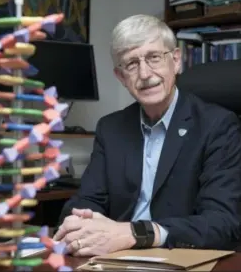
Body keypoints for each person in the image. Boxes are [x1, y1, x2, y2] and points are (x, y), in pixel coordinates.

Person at [54, 14, 241, 256]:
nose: (144, 73)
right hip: (115, 258)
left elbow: (223, 224)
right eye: (131, 64)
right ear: (121, 77)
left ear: (176, 61)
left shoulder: (218, 126)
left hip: (179, 256)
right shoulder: (111, 128)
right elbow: (87, 199)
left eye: (154, 57)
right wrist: (78, 221)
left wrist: (135, 234)